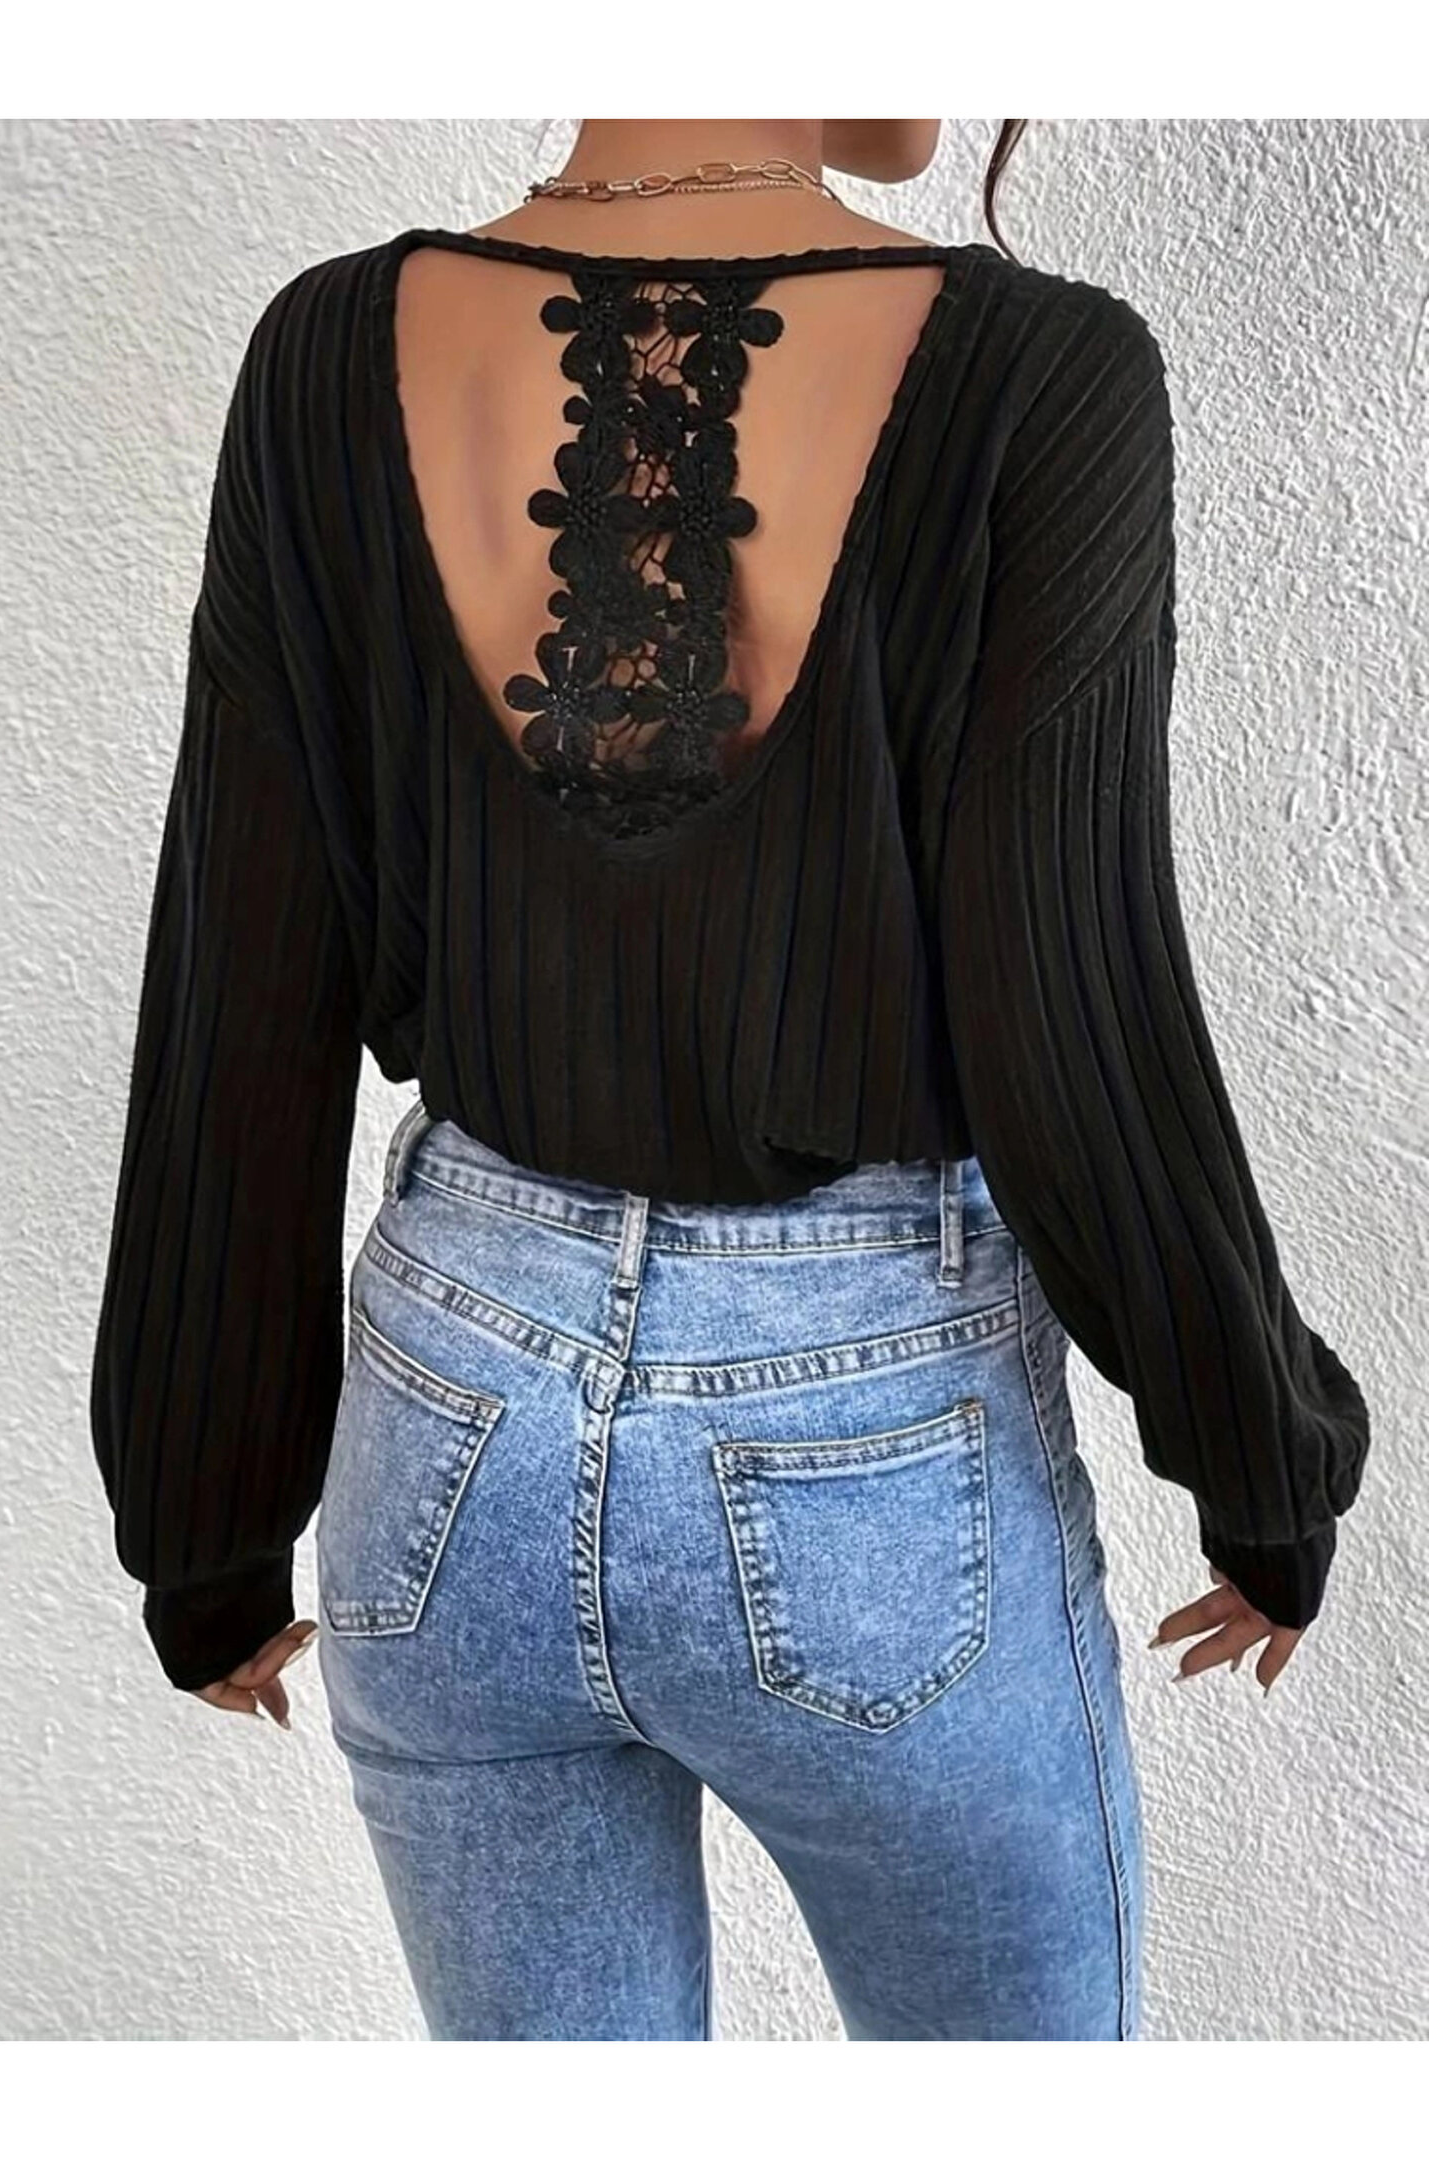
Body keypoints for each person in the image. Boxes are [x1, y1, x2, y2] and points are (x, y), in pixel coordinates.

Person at [90, 117, 1371, 2041]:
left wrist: (206, 1511)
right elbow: (1077, 992)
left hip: (451, 1413)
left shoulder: (326, 348)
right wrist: (1257, 1457)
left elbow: (240, 960)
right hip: (863, 1424)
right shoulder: (1044, 370)